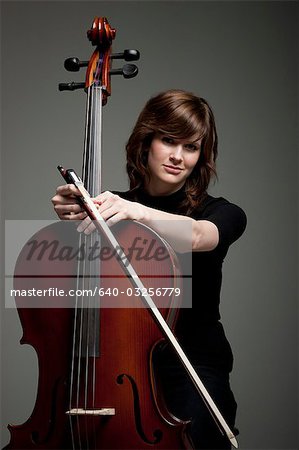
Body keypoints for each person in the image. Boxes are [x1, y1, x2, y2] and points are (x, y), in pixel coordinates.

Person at [52, 89, 247, 449]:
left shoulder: (222, 212)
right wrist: (70, 215)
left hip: (193, 369)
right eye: (168, 140)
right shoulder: (111, 207)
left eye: (190, 147)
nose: (177, 156)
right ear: (147, 142)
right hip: (118, 366)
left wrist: (138, 212)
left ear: (201, 155)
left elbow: (202, 236)